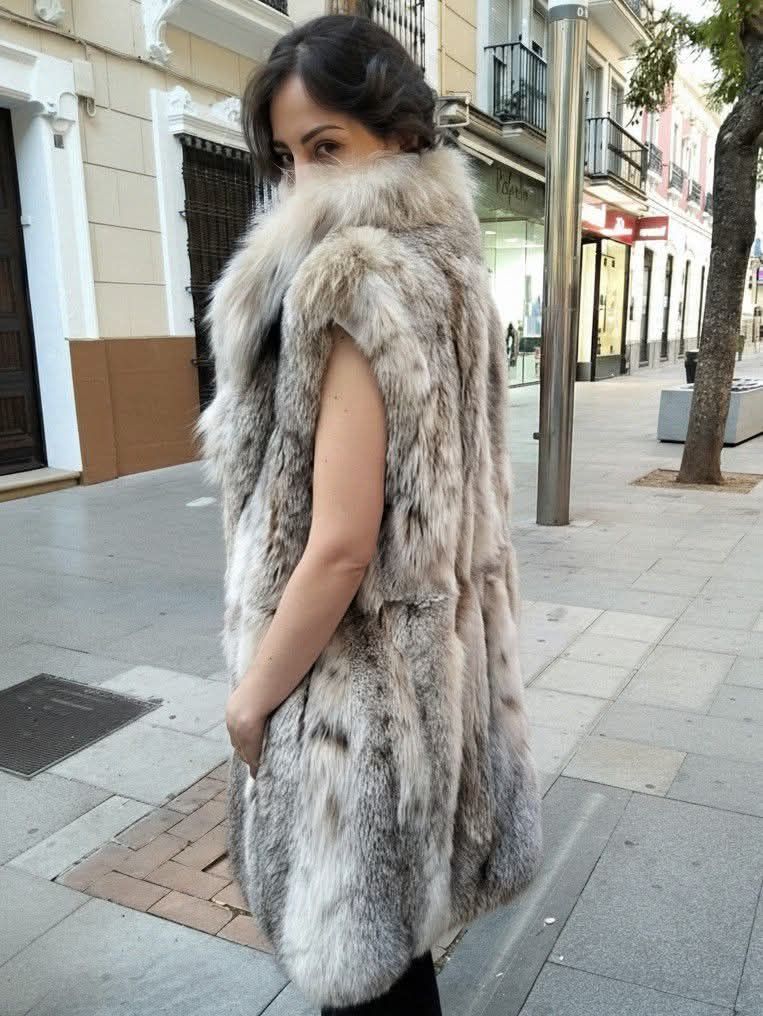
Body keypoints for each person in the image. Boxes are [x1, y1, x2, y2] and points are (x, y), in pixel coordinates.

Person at [194, 13, 543, 1015]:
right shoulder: (453, 265)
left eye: (327, 146)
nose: (304, 180)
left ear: (395, 133)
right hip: (442, 669)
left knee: (368, 972)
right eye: (287, 155)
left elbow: (342, 544)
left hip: (357, 698)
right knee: (402, 956)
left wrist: (253, 696)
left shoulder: (354, 276)